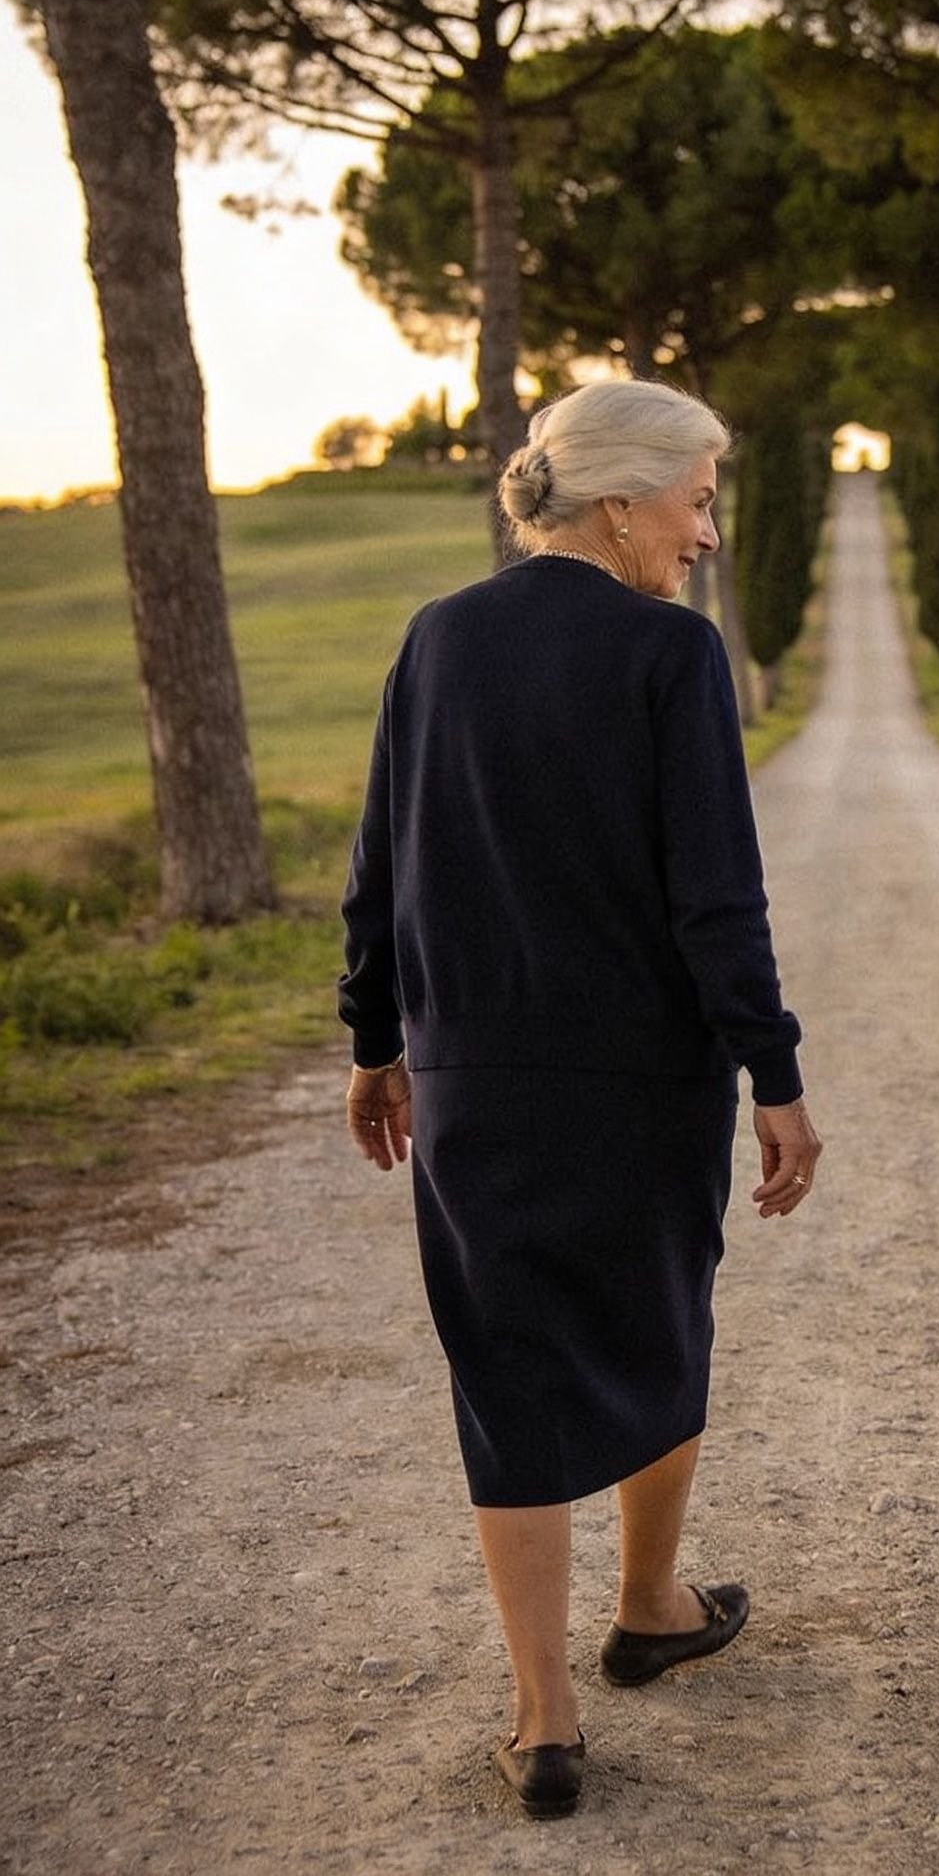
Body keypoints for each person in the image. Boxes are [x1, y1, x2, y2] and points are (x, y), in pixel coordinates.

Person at [338, 377, 821, 1821]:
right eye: (697, 503)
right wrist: (776, 1076)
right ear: (622, 505)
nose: (707, 535)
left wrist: (377, 1042)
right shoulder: (672, 656)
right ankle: (653, 1599)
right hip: (641, 1078)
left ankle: (544, 1719)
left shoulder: (437, 640)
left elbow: (383, 868)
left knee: (507, 1368)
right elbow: (716, 901)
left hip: (471, 1073)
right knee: (656, 1321)